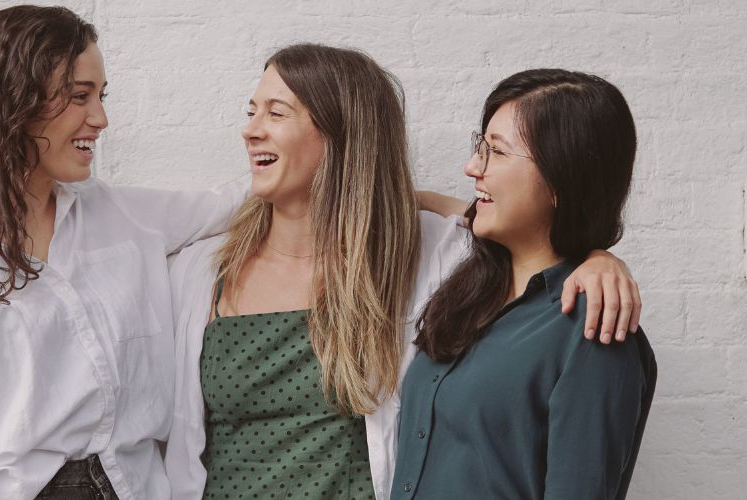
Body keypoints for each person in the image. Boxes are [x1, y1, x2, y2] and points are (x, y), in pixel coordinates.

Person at [163, 45, 646, 500]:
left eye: (276, 112)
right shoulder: (201, 270)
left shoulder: (425, 257)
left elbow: (528, 234)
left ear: (340, 134)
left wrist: (593, 255)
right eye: (252, 111)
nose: (251, 129)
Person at [0, 6, 246, 499]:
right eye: (78, 97)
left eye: (100, 96)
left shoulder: (119, 215)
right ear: (15, 103)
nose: (101, 119)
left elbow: (235, 204)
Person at [390, 69, 656, 499]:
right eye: (481, 147)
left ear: (560, 180)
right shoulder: (471, 289)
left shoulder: (592, 329)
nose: (472, 167)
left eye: (496, 152)